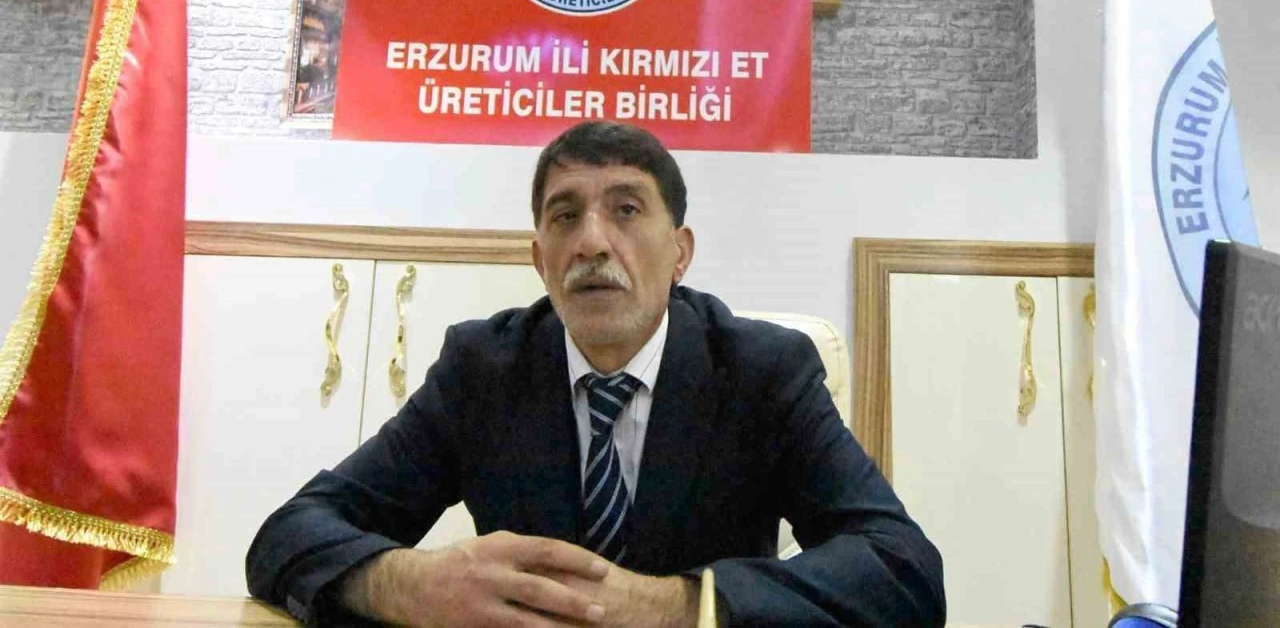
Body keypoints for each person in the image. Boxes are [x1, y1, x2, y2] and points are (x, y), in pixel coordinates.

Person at [246, 121, 945, 626]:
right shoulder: (482, 369)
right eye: (565, 215)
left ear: (680, 253)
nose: (590, 242)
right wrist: (409, 584)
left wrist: (675, 606)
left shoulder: (762, 370)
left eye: (626, 210)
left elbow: (902, 569)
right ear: (540, 260)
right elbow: (291, 533)